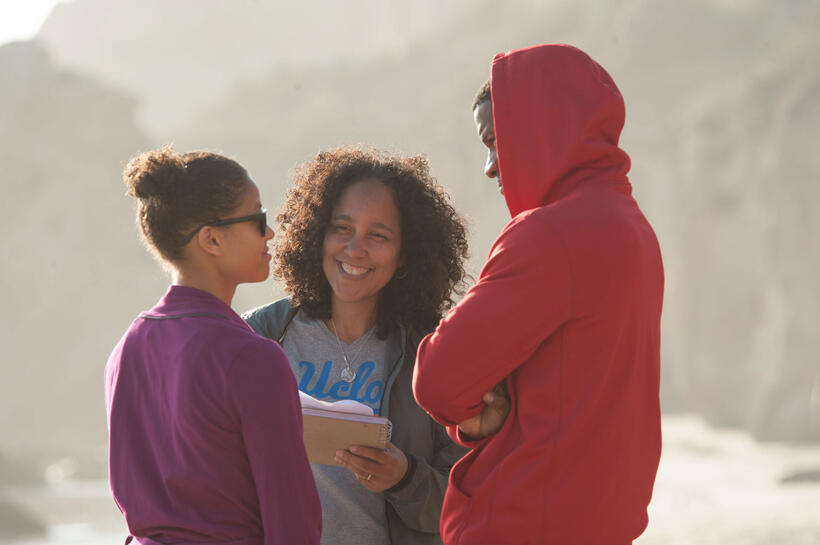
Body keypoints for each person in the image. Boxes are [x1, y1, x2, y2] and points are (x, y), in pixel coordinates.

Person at [413, 43, 665, 545]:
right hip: (599, 522)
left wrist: (476, 417)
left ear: (543, 125)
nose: (489, 166)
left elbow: (437, 380)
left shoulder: (549, 235)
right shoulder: (634, 229)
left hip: (526, 519)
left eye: (494, 141)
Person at [243, 147, 470, 545]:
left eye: (378, 236)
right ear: (317, 233)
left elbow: (468, 500)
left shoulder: (434, 351)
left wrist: (405, 479)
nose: (354, 249)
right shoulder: (261, 335)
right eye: (341, 228)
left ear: (405, 255)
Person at [105, 147, 321, 545]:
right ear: (212, 240)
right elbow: (292, 518)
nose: (269, 231)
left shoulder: (127, 348)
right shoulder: (251, 358)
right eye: (257, 218)